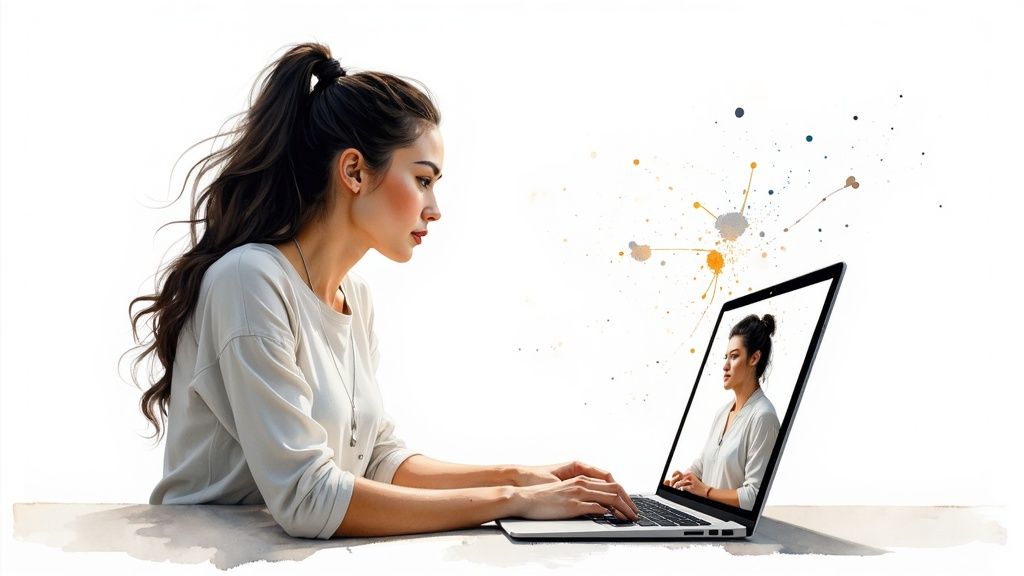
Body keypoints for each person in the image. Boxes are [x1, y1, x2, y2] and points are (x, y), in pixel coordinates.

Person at [128, 42, 639, 539]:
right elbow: (308, 499)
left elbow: (376, 460)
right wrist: (514, 502)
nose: (435, 208)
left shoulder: (355, 298)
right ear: (354, 170)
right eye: (422, 179)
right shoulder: (248, 280)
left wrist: (522, 476)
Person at [663, 314, 781, 511]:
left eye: (734, 356)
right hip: (705, 517)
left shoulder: (763, 417)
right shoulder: (723, 412)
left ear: (754, 358)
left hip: (728, 527)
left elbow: (753, 496)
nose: (725, 365)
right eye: (726, 357)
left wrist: (705, 492)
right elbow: (702, 466)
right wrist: (684, 480)